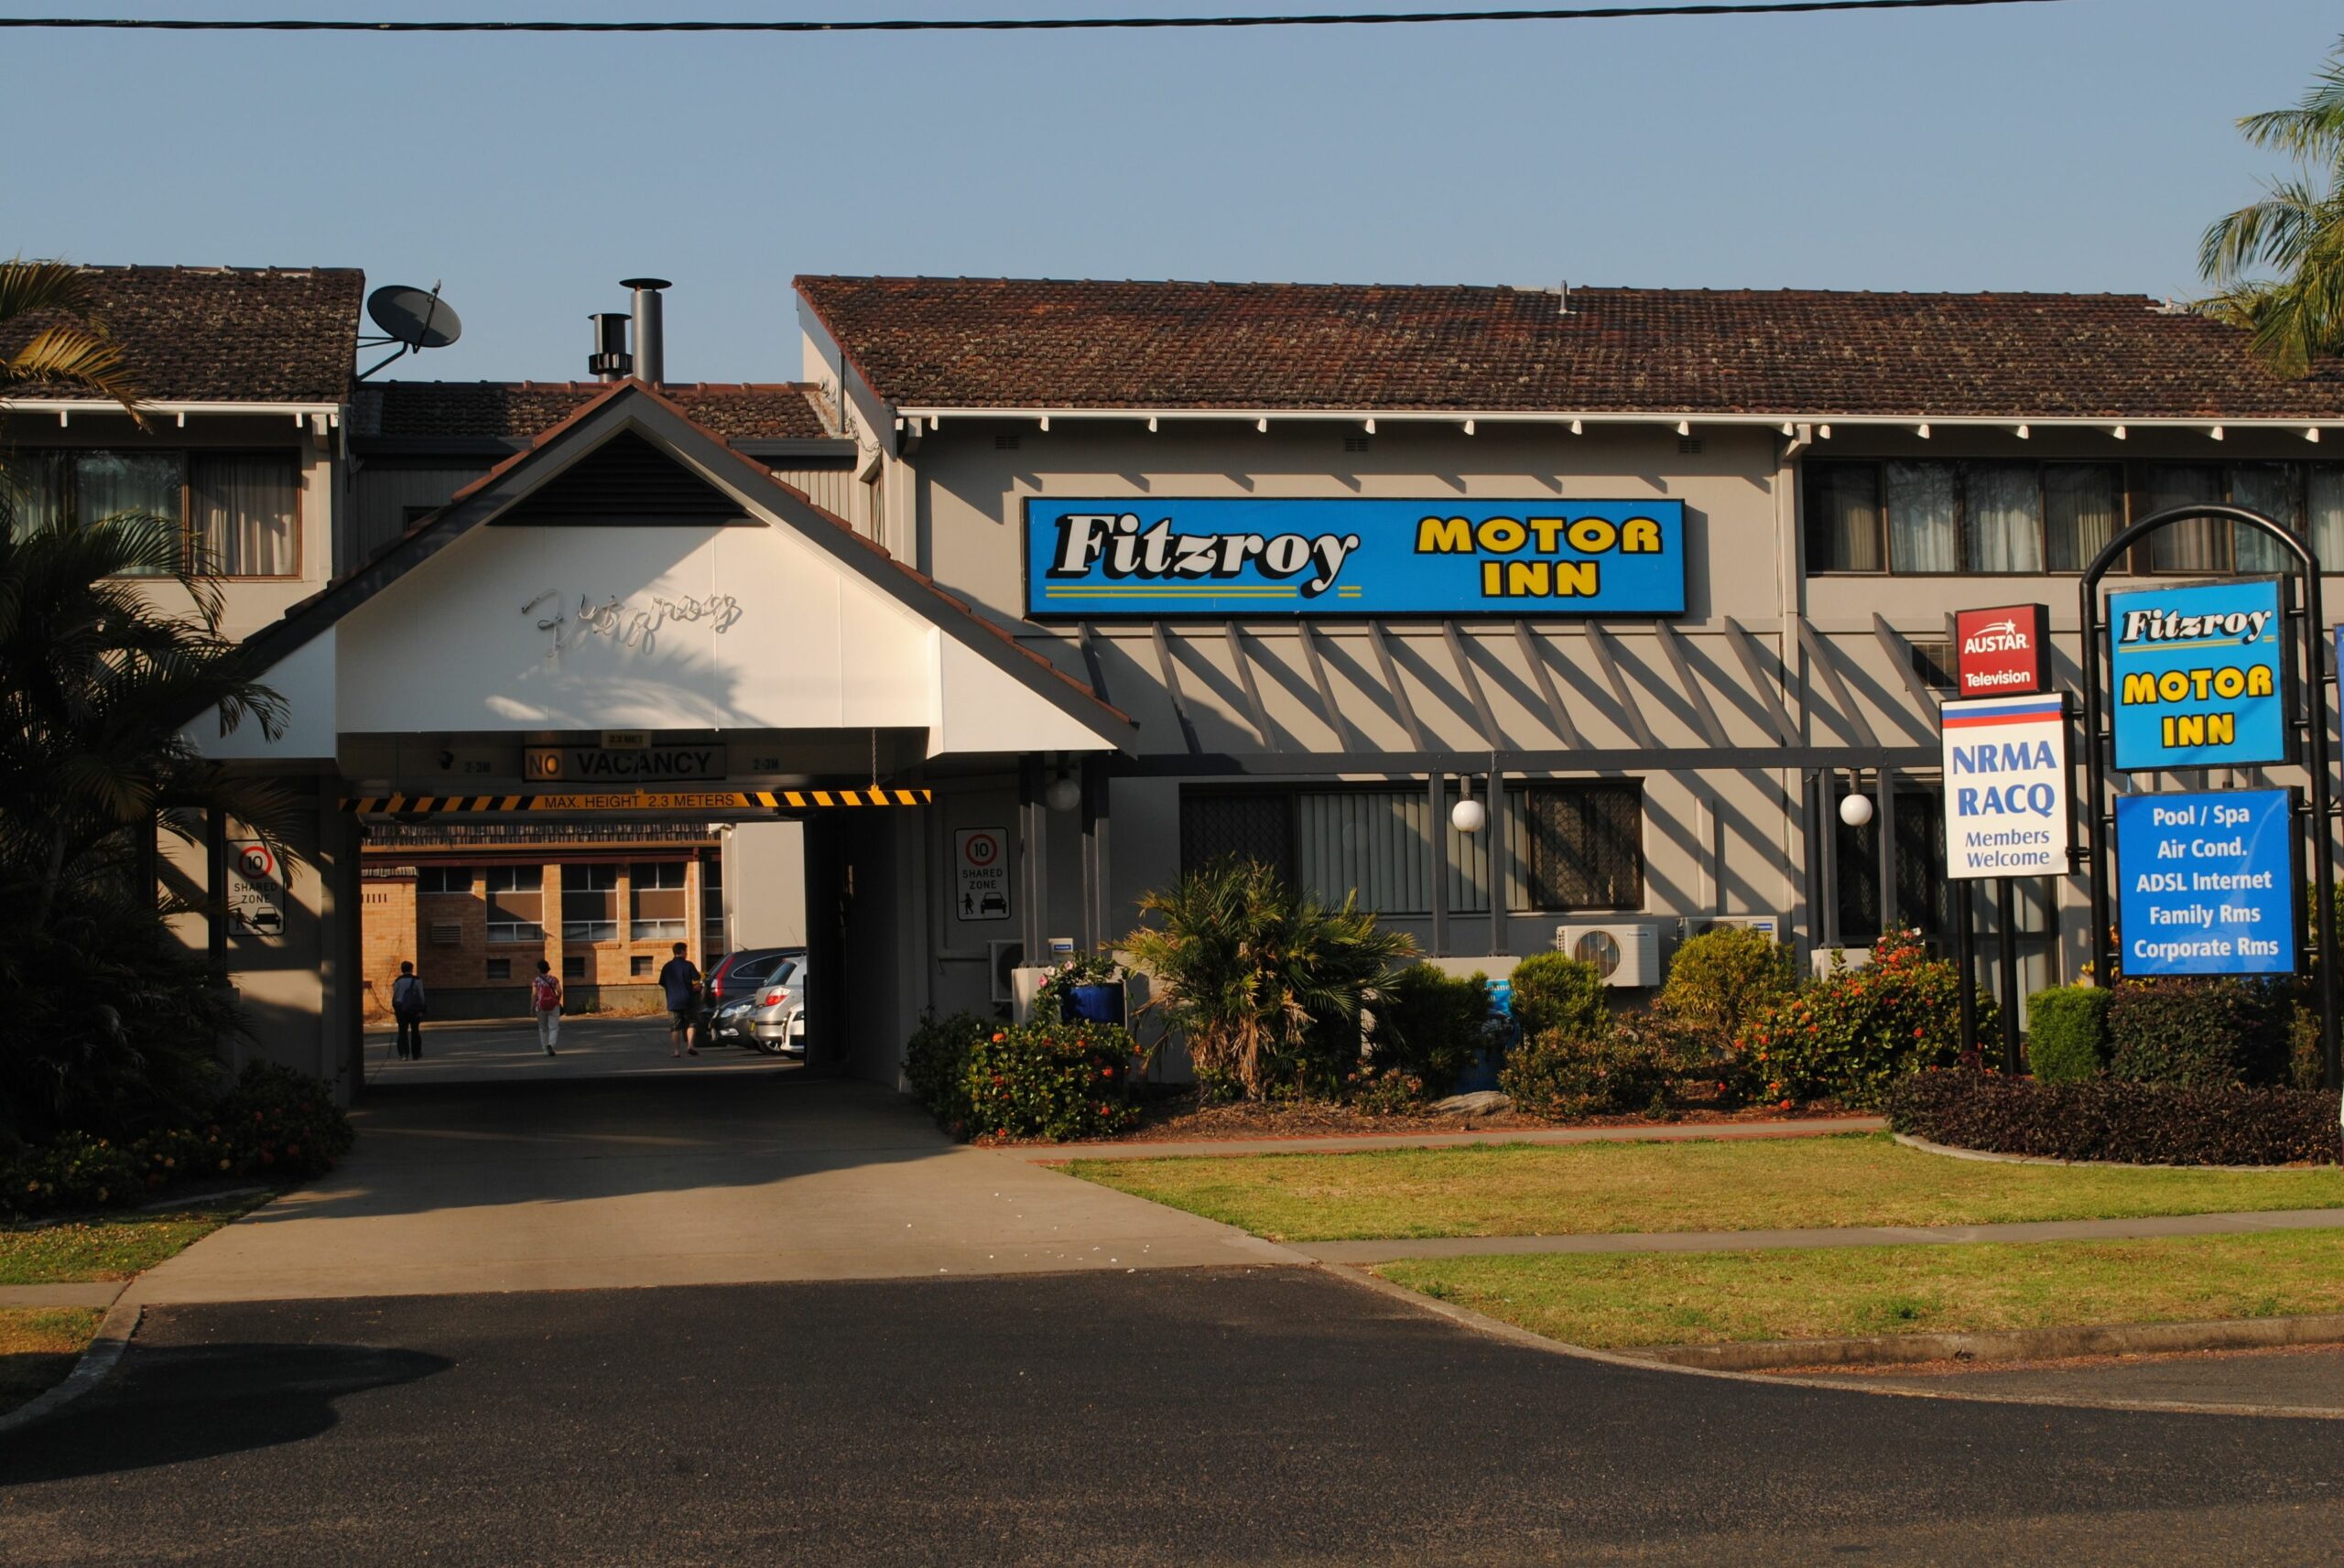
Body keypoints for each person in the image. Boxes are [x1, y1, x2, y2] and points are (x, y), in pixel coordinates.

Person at [657, 942, 701, 1058]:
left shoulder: (667, 966)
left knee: (675, 1026)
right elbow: (697, 978)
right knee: (691, 1022)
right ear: (682, 952)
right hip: (688, 999)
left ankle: (677, 1051)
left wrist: (672, 988)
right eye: (686, 951)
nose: (687, 953)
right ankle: (690, 1046)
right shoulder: (688, 965)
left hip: (673, 1000)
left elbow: (662, 982)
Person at [389, 961, 428, 1061]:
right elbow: (421, 996)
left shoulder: (397, 981)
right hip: (414, 1009)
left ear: (402, 969)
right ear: (411, 969)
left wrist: (395, 1008)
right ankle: (416, 1053)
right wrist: (422, 1009)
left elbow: (395, 996)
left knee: (402, 1031)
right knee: (415, 1031)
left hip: (401, 1008)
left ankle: (403, 1054)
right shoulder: (417, 980)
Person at [531, 958, 562, 1056]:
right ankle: (551, 1045)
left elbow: (534, 995)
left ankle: (545, 1050)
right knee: (554, 1028)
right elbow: (560, 991)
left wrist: (532, 1007)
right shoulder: (554, 979)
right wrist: (557, 999)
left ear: (538, 969)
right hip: (553, 1006)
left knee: (543, 1029)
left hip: (540, 1007)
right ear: (548, 969)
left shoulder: (536, 981)